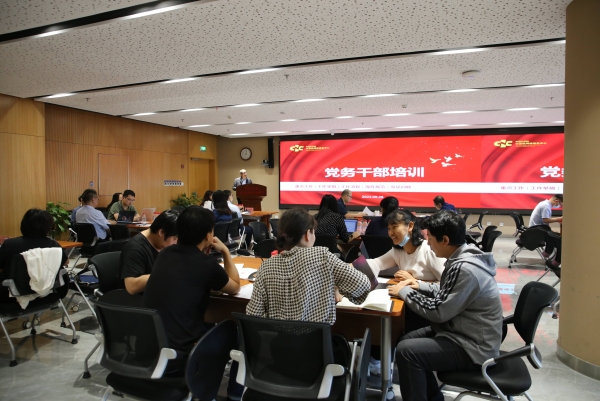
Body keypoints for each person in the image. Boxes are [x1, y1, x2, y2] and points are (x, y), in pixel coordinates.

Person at [387, 211, 502, 401]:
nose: (428, 243)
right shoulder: (460, 259)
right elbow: (447, 290)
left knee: (408, 351)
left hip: (473, 347)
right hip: (459, 333)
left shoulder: (465, 269)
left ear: (445, 240)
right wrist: (419, 285)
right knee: (405, 340)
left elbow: (438, 311)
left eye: (430, 238)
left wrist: (404, 292)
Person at [143, 206, 240, 376]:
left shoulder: (164, 254)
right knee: (231, 329)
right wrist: (225, 251)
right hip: (178, 356)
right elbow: (235, 287)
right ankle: (220, 384)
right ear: (208, 235)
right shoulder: (207, 265)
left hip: (149, 348)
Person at [0, 209, 68, 302]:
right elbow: (65, 262)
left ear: (24, 224)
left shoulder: (10, 244)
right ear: (48, 227)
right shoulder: (54, 245)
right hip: (47, 295)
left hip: (10, 296)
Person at [120, 210, 179, 295]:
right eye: (175, 238)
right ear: (161, 232)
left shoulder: (161, 244)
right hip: (139, 299)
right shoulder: (135, 248)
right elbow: (132, 287)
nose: (176, 243)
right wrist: (165, 272)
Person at [529, 194, 563, 268]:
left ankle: (548, 254)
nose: (559, 205)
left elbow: (544, 223)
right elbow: (545, 220)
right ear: (556, 201)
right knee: (557, 239)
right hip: (536, 231)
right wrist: (559, 219)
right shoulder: (546, 206)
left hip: (538, 229)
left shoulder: (545, 204)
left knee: (554, 235)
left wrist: (550, 229)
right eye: (560, 203)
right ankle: (553, 259)